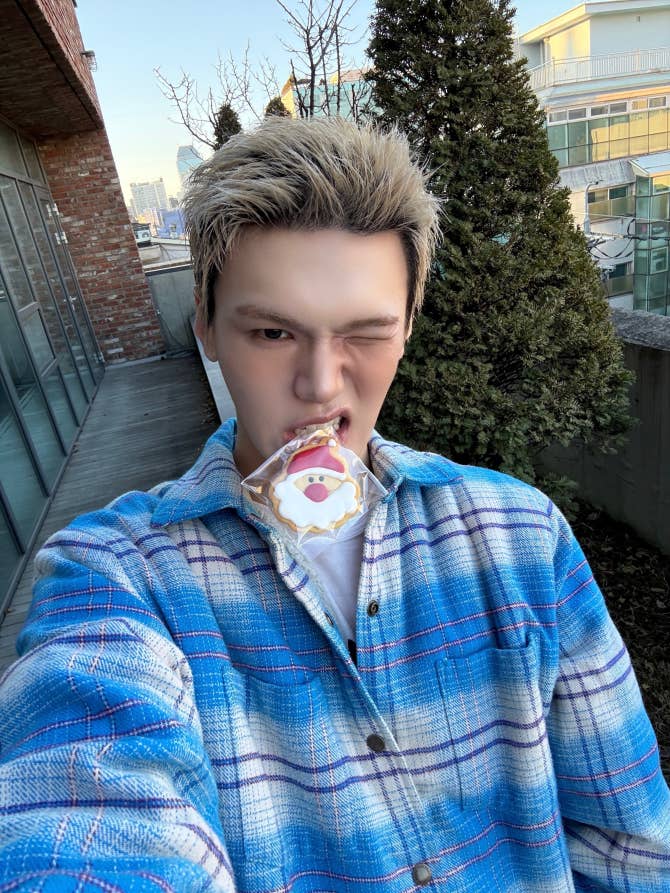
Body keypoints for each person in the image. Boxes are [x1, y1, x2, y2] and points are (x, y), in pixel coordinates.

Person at [0, 116, 669, 893]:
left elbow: (633, 849)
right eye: (273, 332)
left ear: (408, 327)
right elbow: (83, 804)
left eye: (365, 333)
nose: (320, 384)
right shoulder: (114, 576)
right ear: (206, 327)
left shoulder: (521, 535)